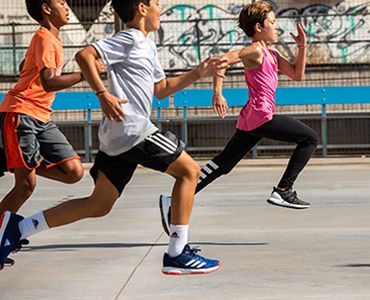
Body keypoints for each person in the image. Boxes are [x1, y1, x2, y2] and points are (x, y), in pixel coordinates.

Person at [0, 0, 225, 275]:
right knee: (190, 171)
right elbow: (85, 56)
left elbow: (162, 90)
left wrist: (198, 73)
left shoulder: (148, 45)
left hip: (117, 137)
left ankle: (17, 229)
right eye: (155, 4)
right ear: (142, 8)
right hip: (132, 129)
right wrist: (102, 94)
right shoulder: (128, 38)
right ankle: (177, 252)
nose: (160, 10)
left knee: (99, 204)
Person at [159, 0, 319, 235]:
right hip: (261, 116)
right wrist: (217, 92)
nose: (276, 27)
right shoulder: (254, 50)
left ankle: (173, 201)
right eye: (272, 23)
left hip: (252, 119)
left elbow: (297, 75)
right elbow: (222, 61)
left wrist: (302, 47)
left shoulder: (271, 53)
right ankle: (284, 190)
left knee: (223, 164)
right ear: (258, 27)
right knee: (310, 139)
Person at [0, 0, 86, 217]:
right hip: (21, 113)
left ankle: (20, 161)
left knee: (74, 172)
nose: (67, 8)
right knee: (26, 186)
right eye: (61, 2)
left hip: (41, 117)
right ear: (47, 9)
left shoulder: (50, 40)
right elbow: (49, 82)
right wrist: (85, 74)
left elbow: (24, 66)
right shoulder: (44, 38)